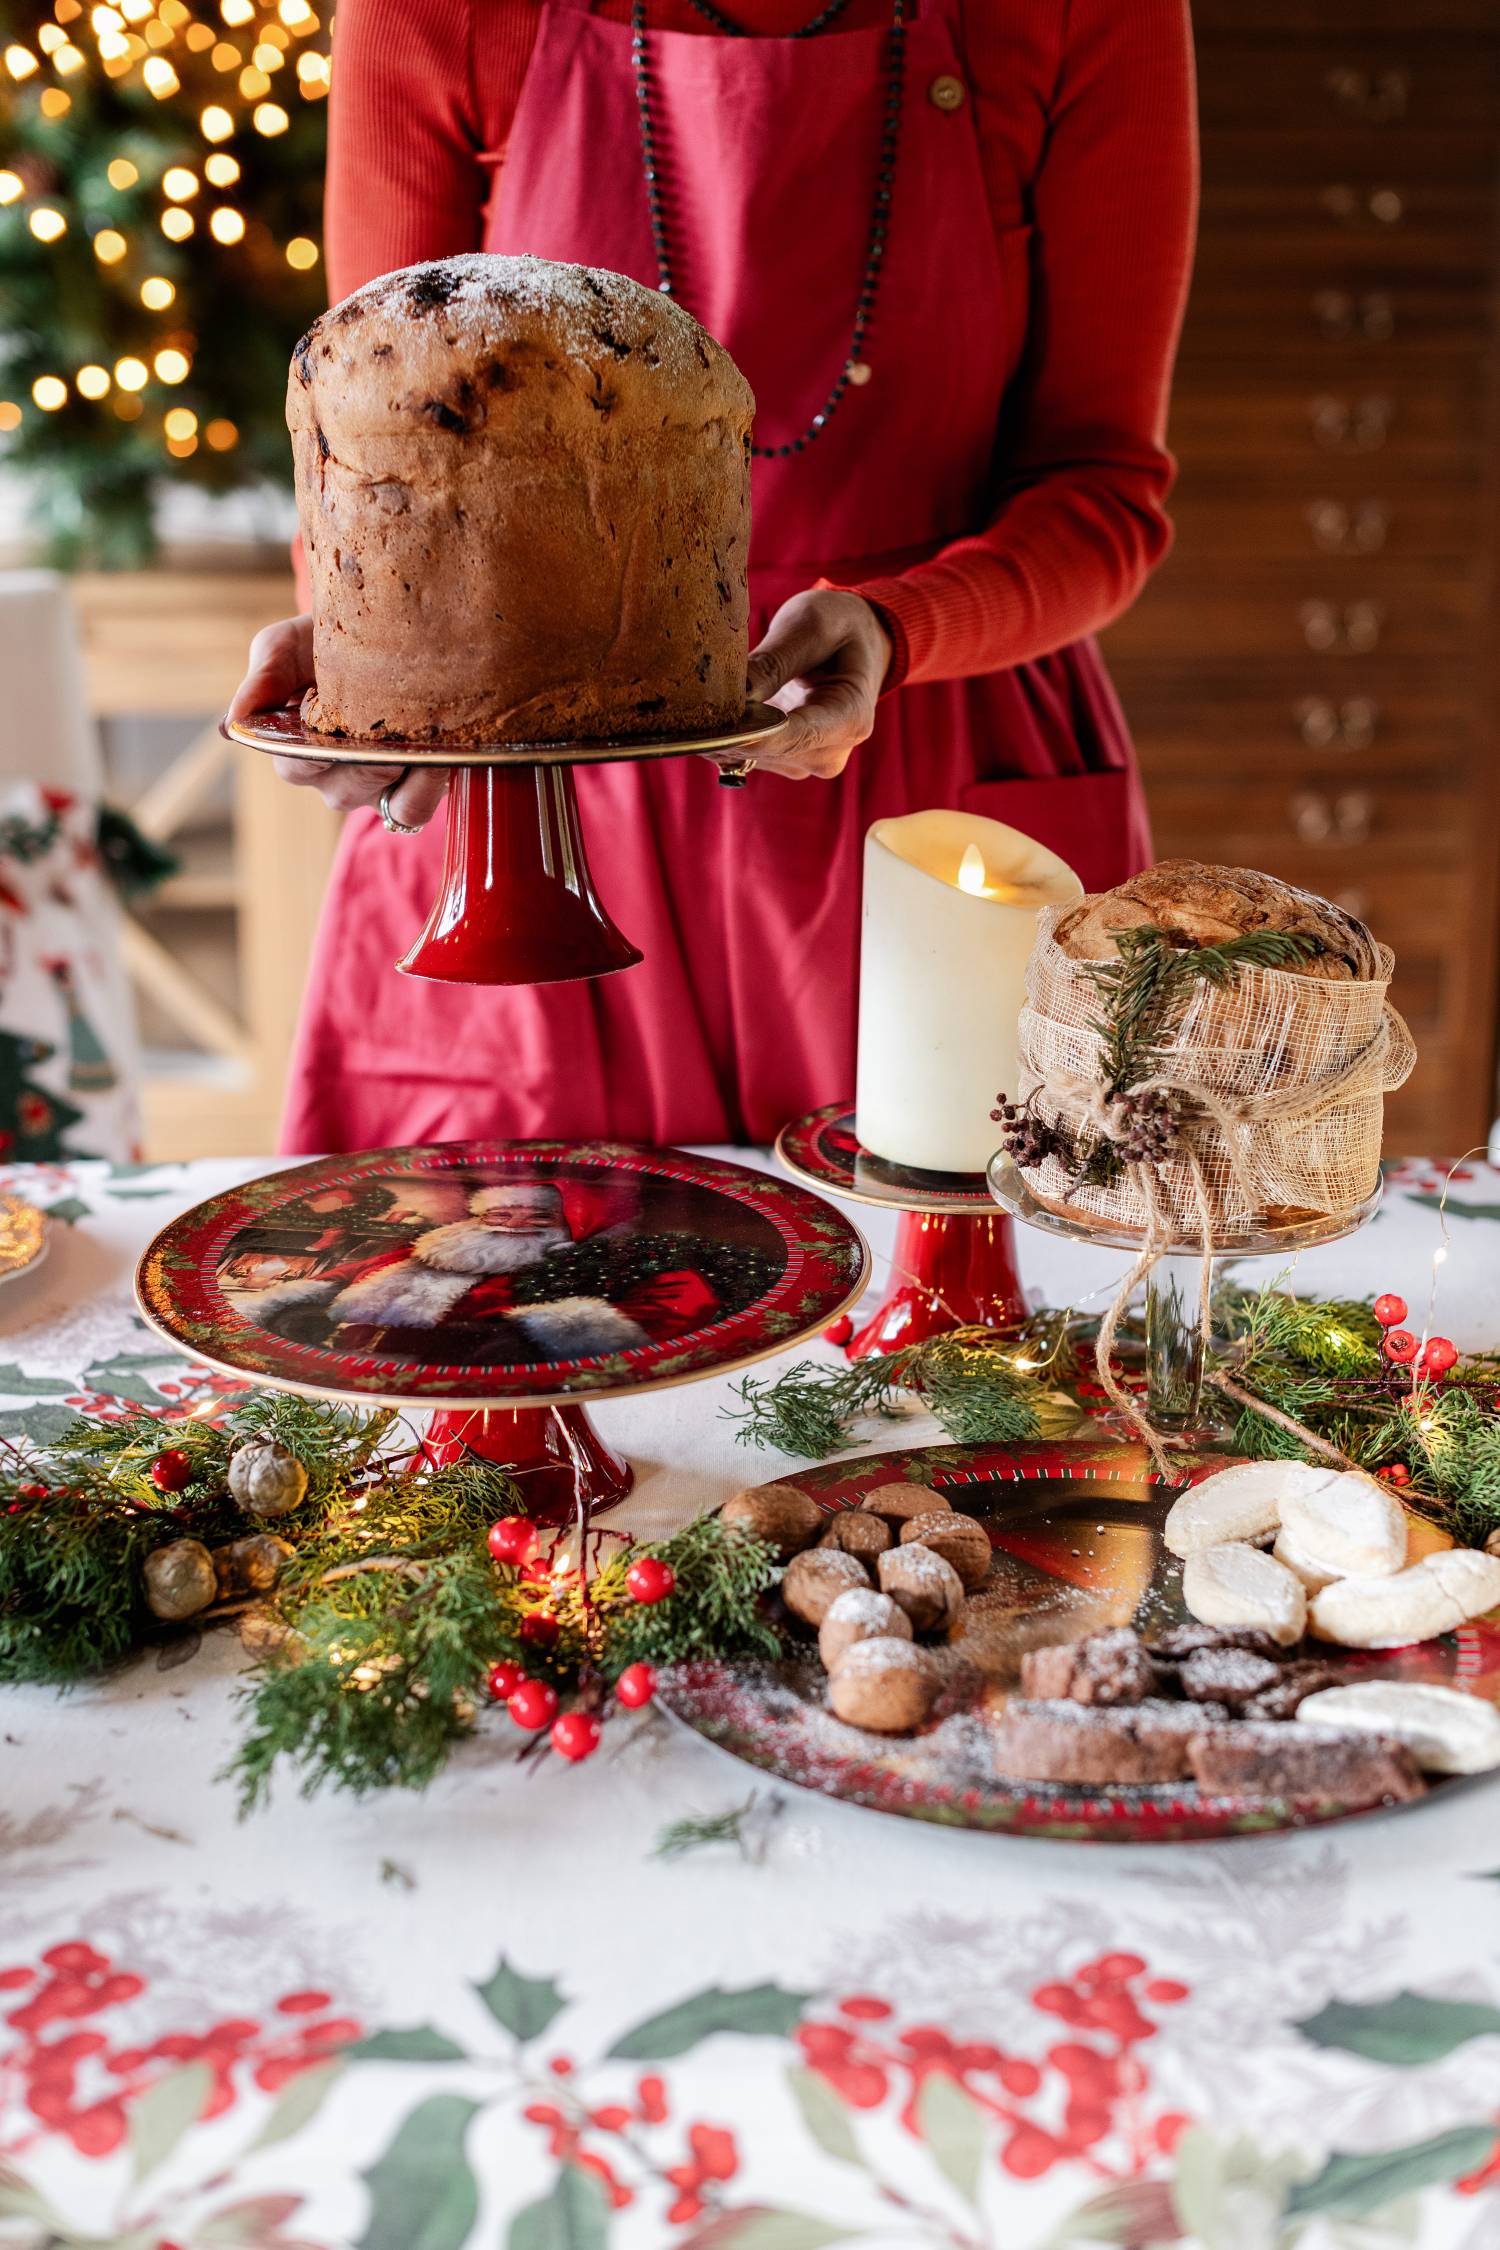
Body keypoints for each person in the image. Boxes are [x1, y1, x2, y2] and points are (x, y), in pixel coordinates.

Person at [233, 0, 1196, 1153]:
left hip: (939, 777)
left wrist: (900, 628)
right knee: (508, 1297)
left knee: (969, 1299)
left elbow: (1100, 491)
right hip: (534, 787)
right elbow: (378, 431)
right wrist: (355, 650)